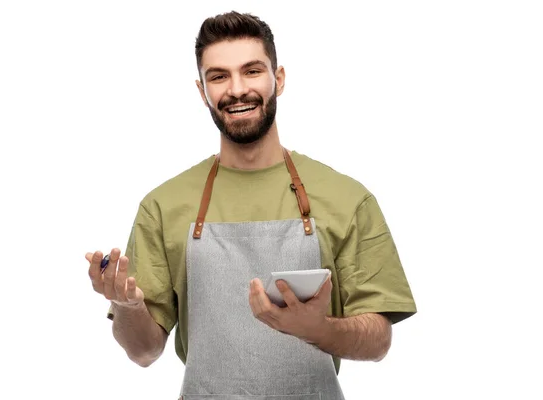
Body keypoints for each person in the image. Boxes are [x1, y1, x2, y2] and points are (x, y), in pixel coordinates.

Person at [86, 10, 417, 399]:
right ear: (202, 90)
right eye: (219, 76)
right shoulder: (163, 205)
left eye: (252, 71)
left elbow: (378, 341)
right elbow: (143, 351)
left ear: (278, 80)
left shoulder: (347, 198)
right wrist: (127, 306)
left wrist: (319, 329)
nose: (237, 89)